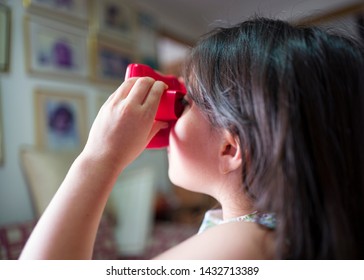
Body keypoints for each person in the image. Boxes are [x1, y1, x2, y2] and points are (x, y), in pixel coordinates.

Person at [20, 17, 364, 260]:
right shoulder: (273, 232)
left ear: (230, 148)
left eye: (185, 101)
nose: (171, 111)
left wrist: (99, 158)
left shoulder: (246, 244)